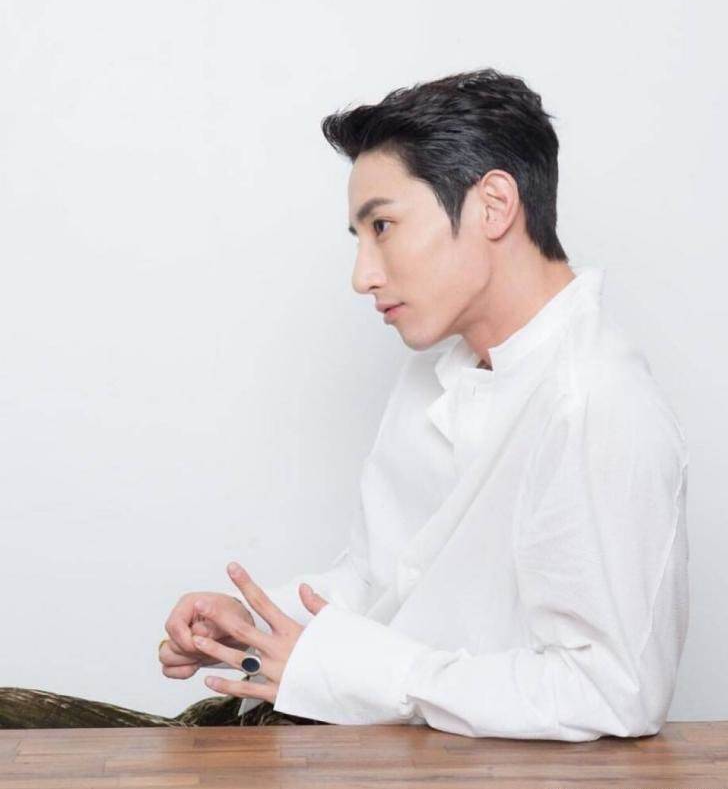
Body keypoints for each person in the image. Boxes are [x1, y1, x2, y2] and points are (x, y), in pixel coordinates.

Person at [1, 68, 689, 738]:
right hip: (333, 742)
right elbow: (379, 583)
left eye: (382, 226)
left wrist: (364, 674)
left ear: (493, 204)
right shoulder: (431, 374)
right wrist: (252, 627)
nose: (363, 276)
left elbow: (612, 691)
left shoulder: (593, 399)